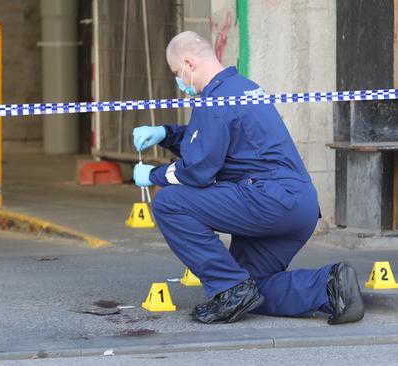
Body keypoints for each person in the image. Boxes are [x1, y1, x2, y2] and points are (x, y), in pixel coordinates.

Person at [132, 31, 364, 325]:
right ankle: (330, 286)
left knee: (169, 202)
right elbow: (209, 141)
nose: (179, 81)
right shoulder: (242, 87)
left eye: (177, 72)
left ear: (189, 64)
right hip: (298, 206)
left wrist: (152, 175)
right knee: (253, 286)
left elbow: (198, 170)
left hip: (268, 200)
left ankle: (230, 289)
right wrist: (166, 134)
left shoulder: (215, 101)